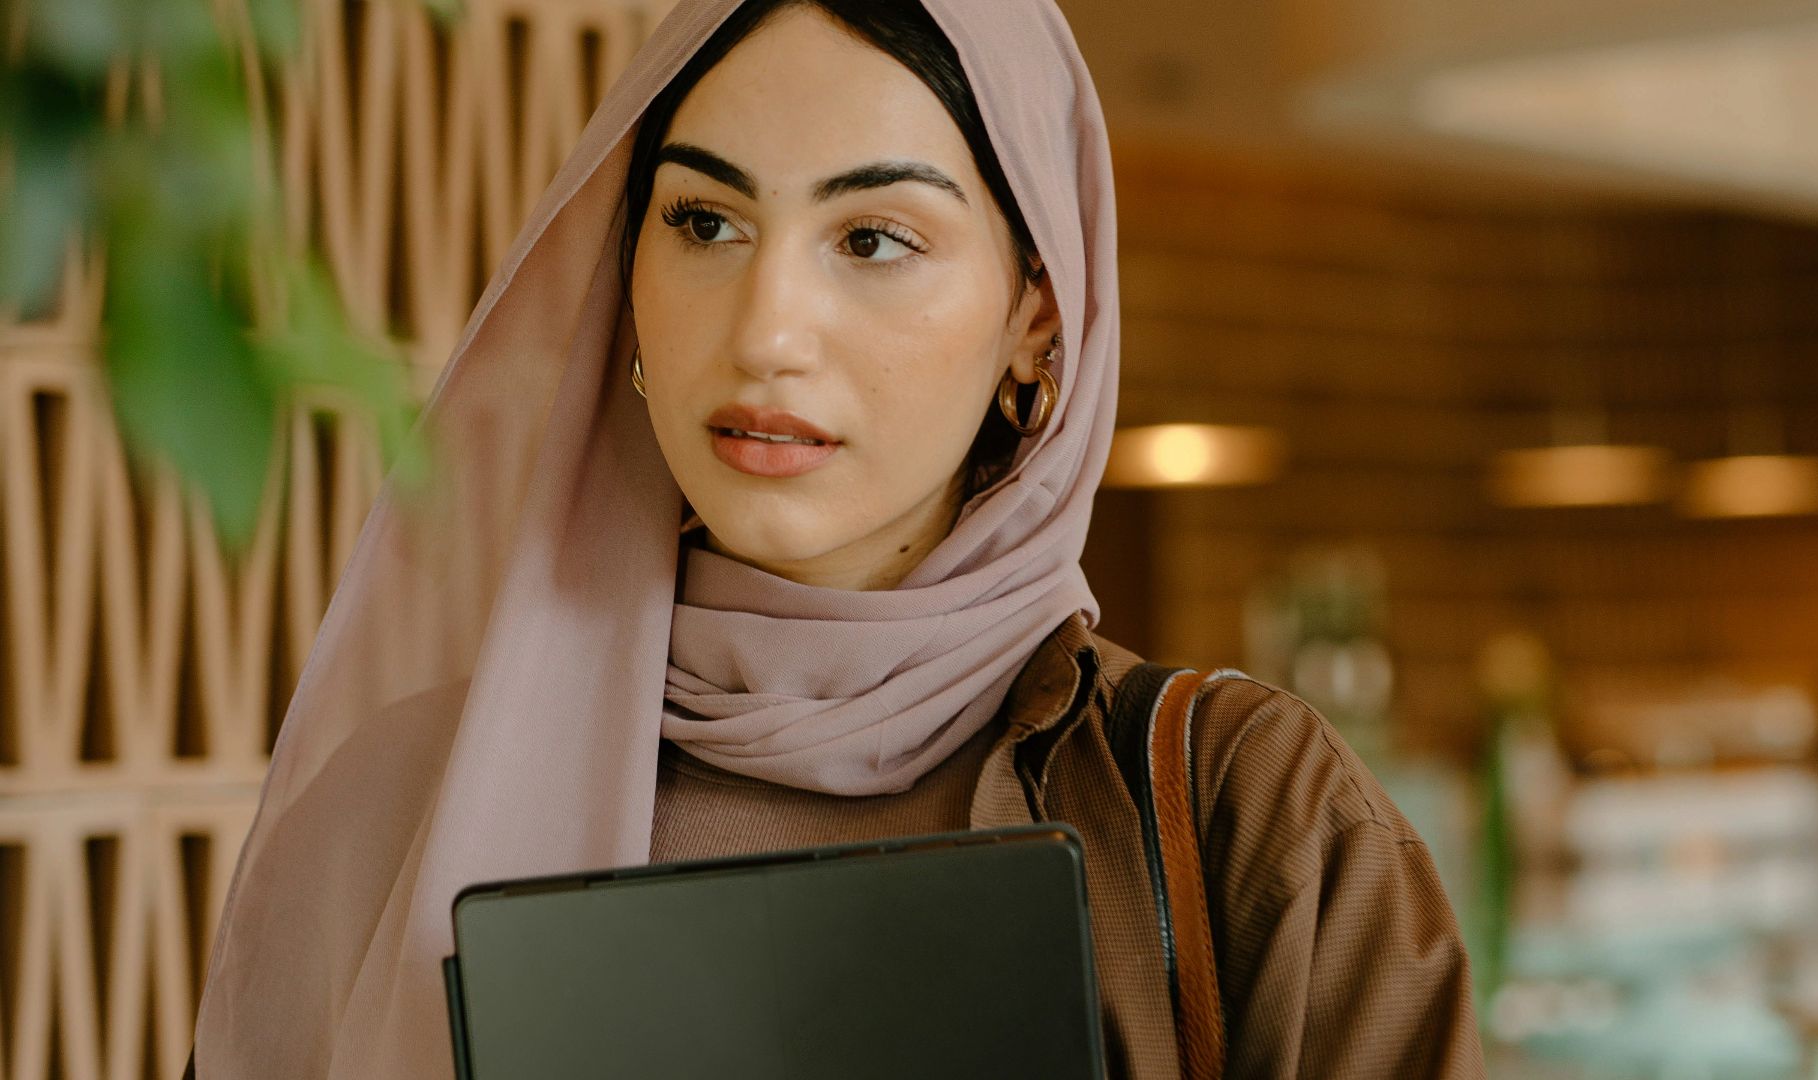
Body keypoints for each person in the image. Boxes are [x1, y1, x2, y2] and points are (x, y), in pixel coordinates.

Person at [186, 1, 1483, 1077]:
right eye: (705, 222)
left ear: (1040, 314)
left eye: (873, 237)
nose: (767, 330)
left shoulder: (1245, 819)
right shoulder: (391, 811)